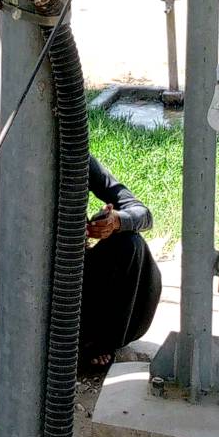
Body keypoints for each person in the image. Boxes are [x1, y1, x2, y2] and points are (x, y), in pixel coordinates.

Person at [78, 154, 162, 374]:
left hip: (81, 283)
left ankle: (100, 344)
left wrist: (116, 221)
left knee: (131, 242)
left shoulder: (77, 157)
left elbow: (143, 214)